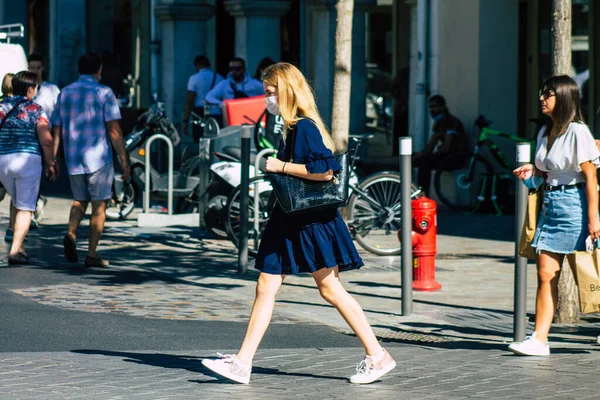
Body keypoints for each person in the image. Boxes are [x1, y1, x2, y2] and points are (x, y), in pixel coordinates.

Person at [201, 62, 396, 385]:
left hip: (309, 221)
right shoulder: (290, 127)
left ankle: (377, 355)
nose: (266, 99)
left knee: (330, 289)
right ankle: (242, 362)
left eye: (270, 93)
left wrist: (280, 165)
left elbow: (326, 171)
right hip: (290, 217)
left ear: (287, 91)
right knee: (267, 285)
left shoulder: (304, 127)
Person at [510, 75, 600, 356]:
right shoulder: (545, 131)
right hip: (549, 205)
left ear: (564, 98)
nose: (541, 98)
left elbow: (589, 176)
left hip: (575, 206)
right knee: (546, 273)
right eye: (542, 93)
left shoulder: (577, 131)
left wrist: (593, 219)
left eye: (548, 94)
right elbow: (551, 170)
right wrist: (533, 170)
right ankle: (539, 339)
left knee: (588, 275)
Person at [50, 52, 130, 268]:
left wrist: (54, 157)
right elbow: (114, 130)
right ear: (99, 70)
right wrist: (124, 159)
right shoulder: (104, 93)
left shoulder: (65, 93)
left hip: (74, 157)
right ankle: (92, 253)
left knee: (79, 200)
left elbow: (56, 128)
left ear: (79, 69)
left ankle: (71, 233)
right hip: (99, 158)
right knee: (99, 204)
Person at [0, 71, 57, 264]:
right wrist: (50, 163)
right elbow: (46, 141)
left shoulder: (0, 106)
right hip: (27, 161)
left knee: (17, 201)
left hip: (3, 161)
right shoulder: (35, 109)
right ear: (30, 89)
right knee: (25, 208)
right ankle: (15, 250)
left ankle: (19, 245)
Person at [412, 95, 468, 195]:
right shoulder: (438, 123)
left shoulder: (451, 121)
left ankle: (422, 195)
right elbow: (430, 145)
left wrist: (430, 154)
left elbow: (447, 147)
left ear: (442, 107)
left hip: (455, 157)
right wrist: (419, 154)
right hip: (444, 157)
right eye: (430, 107)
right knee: (415, 159)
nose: (432, 109)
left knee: (425, 162)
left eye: (435, 106)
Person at [204, 57, 264, 124]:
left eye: (237, 69)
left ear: (244, 69)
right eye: (231, 69)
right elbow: (208, 97)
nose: (234, 71)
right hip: (231, 118)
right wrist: (222, 104)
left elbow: (268, 96)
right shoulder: (224, 84)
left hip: (251, 117)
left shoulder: (254, 84)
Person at [182, 55, 223, 142]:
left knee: (199, 140)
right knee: (216, 140)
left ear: (196, 65)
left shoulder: (194, 78)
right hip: (216, 112)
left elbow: (190, 99)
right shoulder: (219, 78)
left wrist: (185, 119)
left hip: (200, 113)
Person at [27, 53, 60, 121]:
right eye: (32, 68)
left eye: (38, 68)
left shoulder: (53, 90)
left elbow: (59, 113)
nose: (35, 71)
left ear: (43, 68)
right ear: (28, 69)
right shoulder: (24, 89)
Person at [390, 67, 409, 156]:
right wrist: (401, 102)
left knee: (404, 131)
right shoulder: (402, 74)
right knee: (399, 130)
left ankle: (401, 152)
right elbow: (392, 90)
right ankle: (397, 151)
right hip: (401, 107)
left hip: (406, 106)